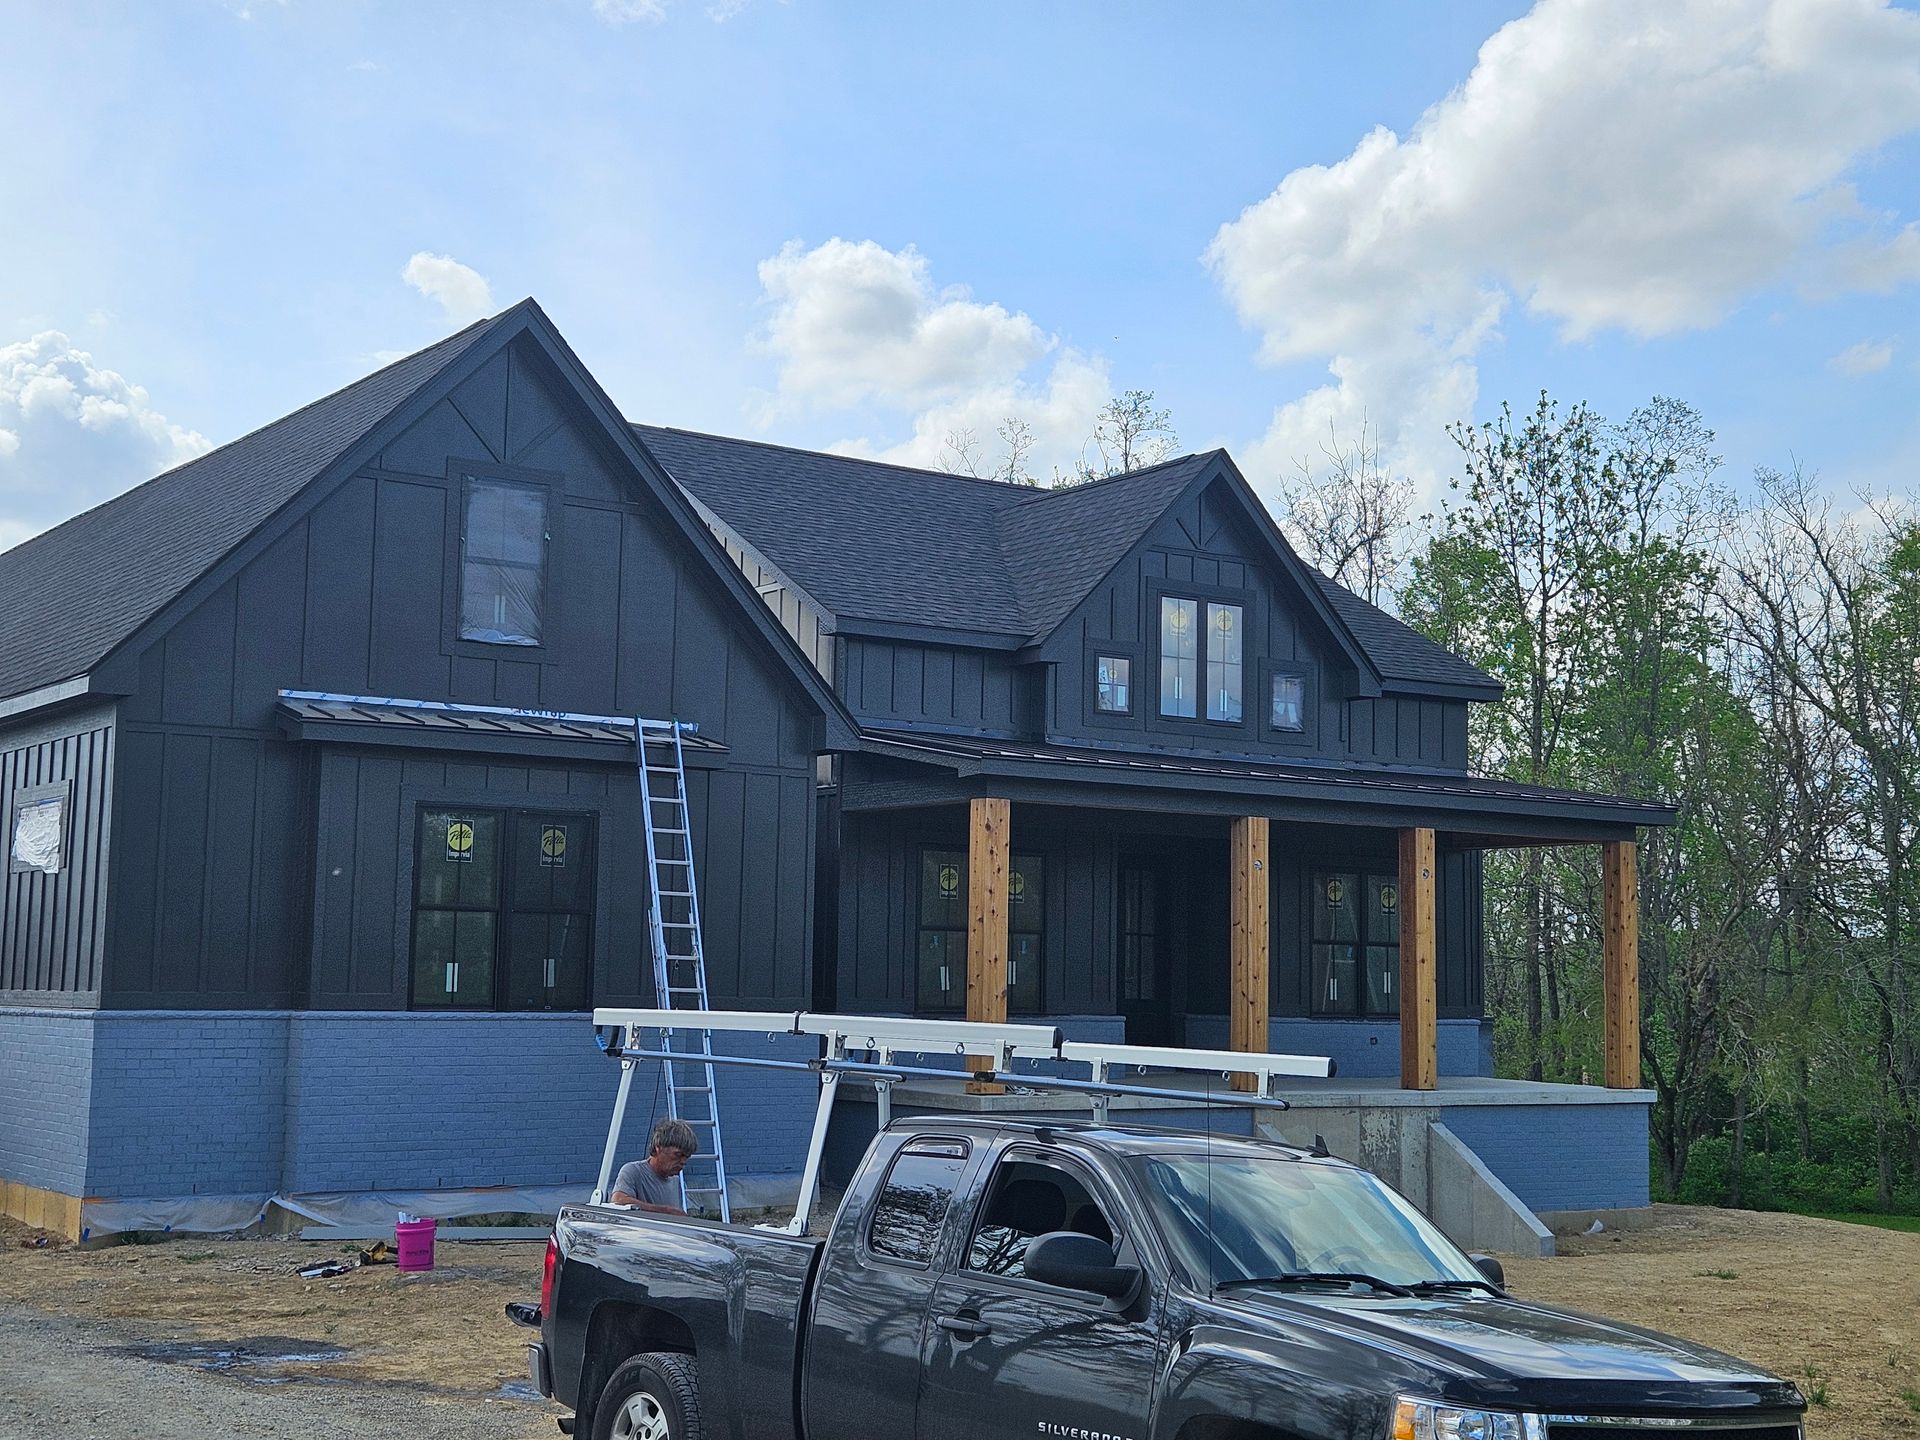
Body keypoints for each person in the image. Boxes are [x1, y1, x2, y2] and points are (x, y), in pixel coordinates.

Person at [609, 1117, 698, 1214]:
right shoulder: (633, 1171)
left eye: (687, 1157)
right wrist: (666, 1212)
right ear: (658, 1147)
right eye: (678, 1155)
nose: (683, 1162)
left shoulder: (675, 1181)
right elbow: (618, 1201)